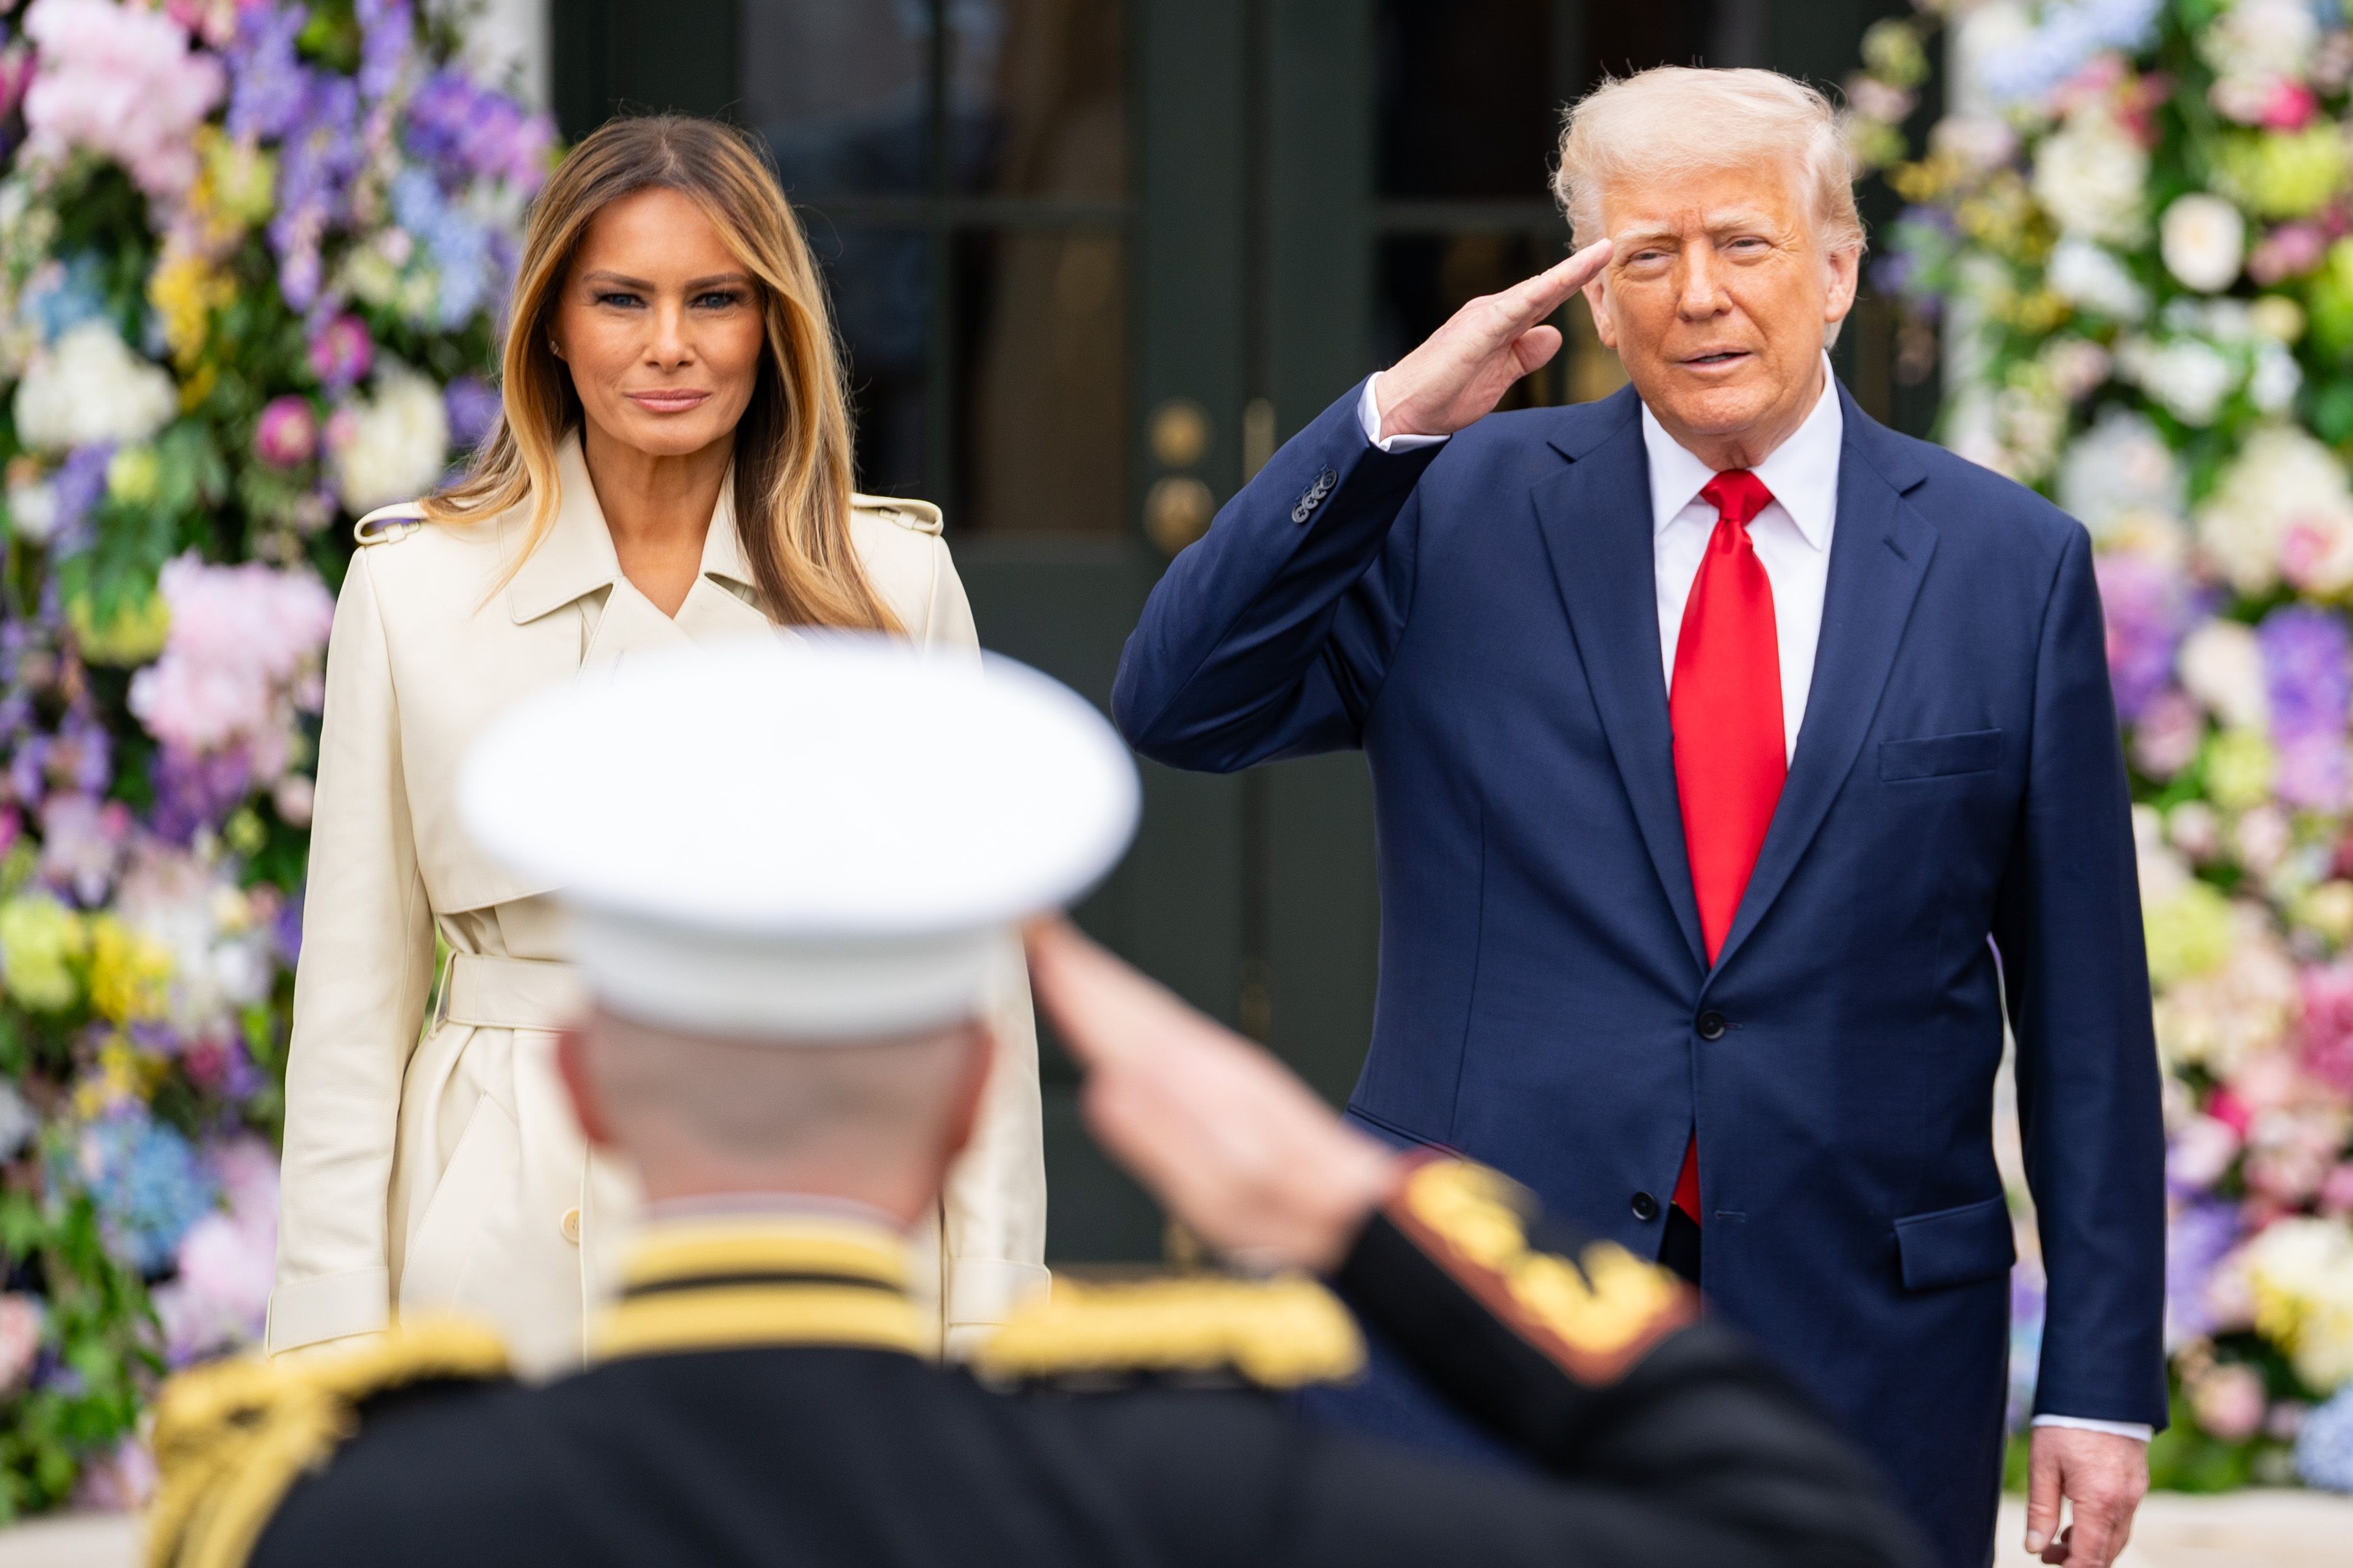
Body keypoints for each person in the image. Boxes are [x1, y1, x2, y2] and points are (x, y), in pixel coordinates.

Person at [149, 638, 1926, 1568]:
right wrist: (1344, 1204)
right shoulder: (1198, 1490)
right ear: (971, 1097)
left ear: (589, 1084)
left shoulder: (327, 1521)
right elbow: (1800, 1538)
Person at [1111, 66, 2163, 1568]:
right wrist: (1392, 419)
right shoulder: (1449, 508)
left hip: (1866, 1327)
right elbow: (1178, 703)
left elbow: (2087, 1015)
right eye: (1645, 256)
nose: (1698, 297)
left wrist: (2103, 1381)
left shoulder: (2009, 561)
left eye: (1742, 243)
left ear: (1841, 267)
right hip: (1486, 1301)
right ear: (1596, 300)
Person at [268, 116, 1046, 1376]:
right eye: (622, 299)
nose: (671, 344)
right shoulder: (414, 592)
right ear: (554, 326)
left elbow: (974, 993)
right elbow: (353, 1005)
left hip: (821, 1210)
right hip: (499, 1230)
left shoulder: (892, 582)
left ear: (771, 326)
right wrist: (331, 1334)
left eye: (716, 300)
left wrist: (990, 1315)